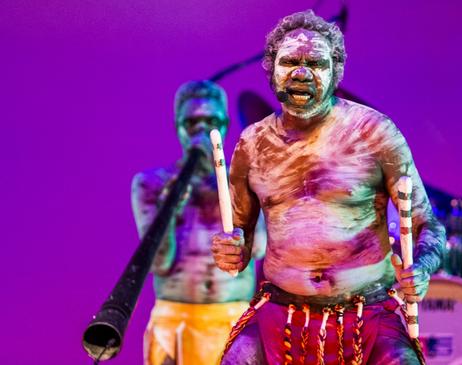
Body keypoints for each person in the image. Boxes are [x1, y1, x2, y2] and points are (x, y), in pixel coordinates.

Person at [212, 10, 446, 365]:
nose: (301, 73)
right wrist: (231, 251)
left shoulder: (374, 133)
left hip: (369, 314)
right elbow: (239, 237)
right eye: (289, 61)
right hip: (281, 313)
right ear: (271, 70)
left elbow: (427, 223)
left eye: (315, 63)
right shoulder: (251, 144)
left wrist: (423, 268)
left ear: (336, 72)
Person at [131, 80, 263, 365]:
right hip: (174, 320)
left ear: (225, 124)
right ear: (178, 126)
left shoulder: (247, 182)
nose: (201, 131)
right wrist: (174, 202)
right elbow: (159, 263)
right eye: (192, 123)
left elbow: (260, 246)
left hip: (232, 318)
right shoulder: (152, 184)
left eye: (211, 121)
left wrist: (222, 181)